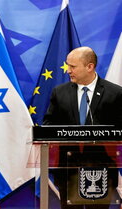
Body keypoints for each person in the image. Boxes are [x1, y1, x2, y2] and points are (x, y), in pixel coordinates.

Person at [43, 47, 122, 209]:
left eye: (73, 66)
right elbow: (48, 124)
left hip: (102, 169)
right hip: (68, 169)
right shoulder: (60, 92)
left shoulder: (115, 93)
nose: (68, 70)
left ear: (90, 67)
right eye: (67, 65)